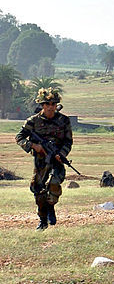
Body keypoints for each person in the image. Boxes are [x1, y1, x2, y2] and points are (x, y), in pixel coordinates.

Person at [15, 88, 73, 230]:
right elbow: (19, 137)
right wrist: (34, 146)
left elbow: (68, 141)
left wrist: (62, 154)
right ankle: (42, 219)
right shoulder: (33, 121)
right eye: (47, 104)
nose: (50, 107)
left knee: (54, 184)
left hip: (57, 160)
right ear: (42, 105)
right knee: (38, 189)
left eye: (53, 104)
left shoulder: (63, 121)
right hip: (40, 162)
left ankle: (51, 206)